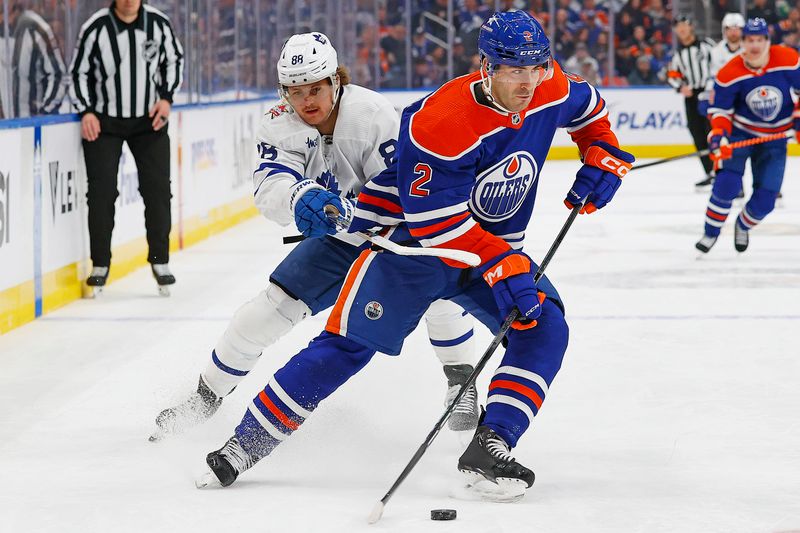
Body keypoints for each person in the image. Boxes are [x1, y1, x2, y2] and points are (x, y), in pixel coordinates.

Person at [197, 11, 633, 501]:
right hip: (411, 247)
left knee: (545, 325)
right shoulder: (442, 120)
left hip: (484, 252)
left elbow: (590, 111)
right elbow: (436, 224)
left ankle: (491, 444)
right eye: (514, 70)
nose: (528, 82)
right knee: (348, 345)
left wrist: (602, 152)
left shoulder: (550, 85)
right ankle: (243, 445)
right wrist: (501, 259)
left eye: (537, 67)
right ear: (486, 66)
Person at [150, 32, 479, 441]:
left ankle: (461, 381)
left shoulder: (373, 115)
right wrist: (298, 195)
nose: (306, 100)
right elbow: (270, 184)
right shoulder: (277, 123)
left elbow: (409, 187)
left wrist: (366, 215)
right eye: (295, 90)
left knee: (439, 292)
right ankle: (205, 398)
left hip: (401, 236)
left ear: (335, 81)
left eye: (315, 88)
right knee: (262, 313)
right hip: (338, 240)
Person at [68, 0, 183, 294]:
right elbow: (78, 72)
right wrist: (86, 110)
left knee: (157, 190)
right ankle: (100, 265)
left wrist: (166, 98)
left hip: (150, 121)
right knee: (102, 191)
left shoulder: (158, 24)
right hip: (105, 122)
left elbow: (174, 60)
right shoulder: (96, 27)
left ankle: (160, 260)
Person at [696, 17, 800, 254]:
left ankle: (742, 225)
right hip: (740, 136)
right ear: (742, 42)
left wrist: (798, 120)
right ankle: (710, 233)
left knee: (765, 201)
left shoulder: (788, 60)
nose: (754, 46)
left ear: (768, 41)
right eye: (750, 40)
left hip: (775, 139)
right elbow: (720, 110)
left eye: (759, 40)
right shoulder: (729, 73)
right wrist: (719, 135)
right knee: (726, 186)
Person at [666, 16, 716, 188]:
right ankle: (710, 172)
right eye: (678, 26)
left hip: (709, 94)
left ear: (691, 27)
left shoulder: (707, 46)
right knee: (697, 134)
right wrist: (681, 88)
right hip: (691, 97)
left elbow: (719, 65)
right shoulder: (678, 54)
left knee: (713, 132)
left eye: (684, 25)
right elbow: (672, 75)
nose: (681, 29)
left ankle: (719, 170)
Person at [0, 2, 66, 118]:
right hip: (5, 129)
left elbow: (59, 76)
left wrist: (44, 113)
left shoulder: (35, 27)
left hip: (33, 126)